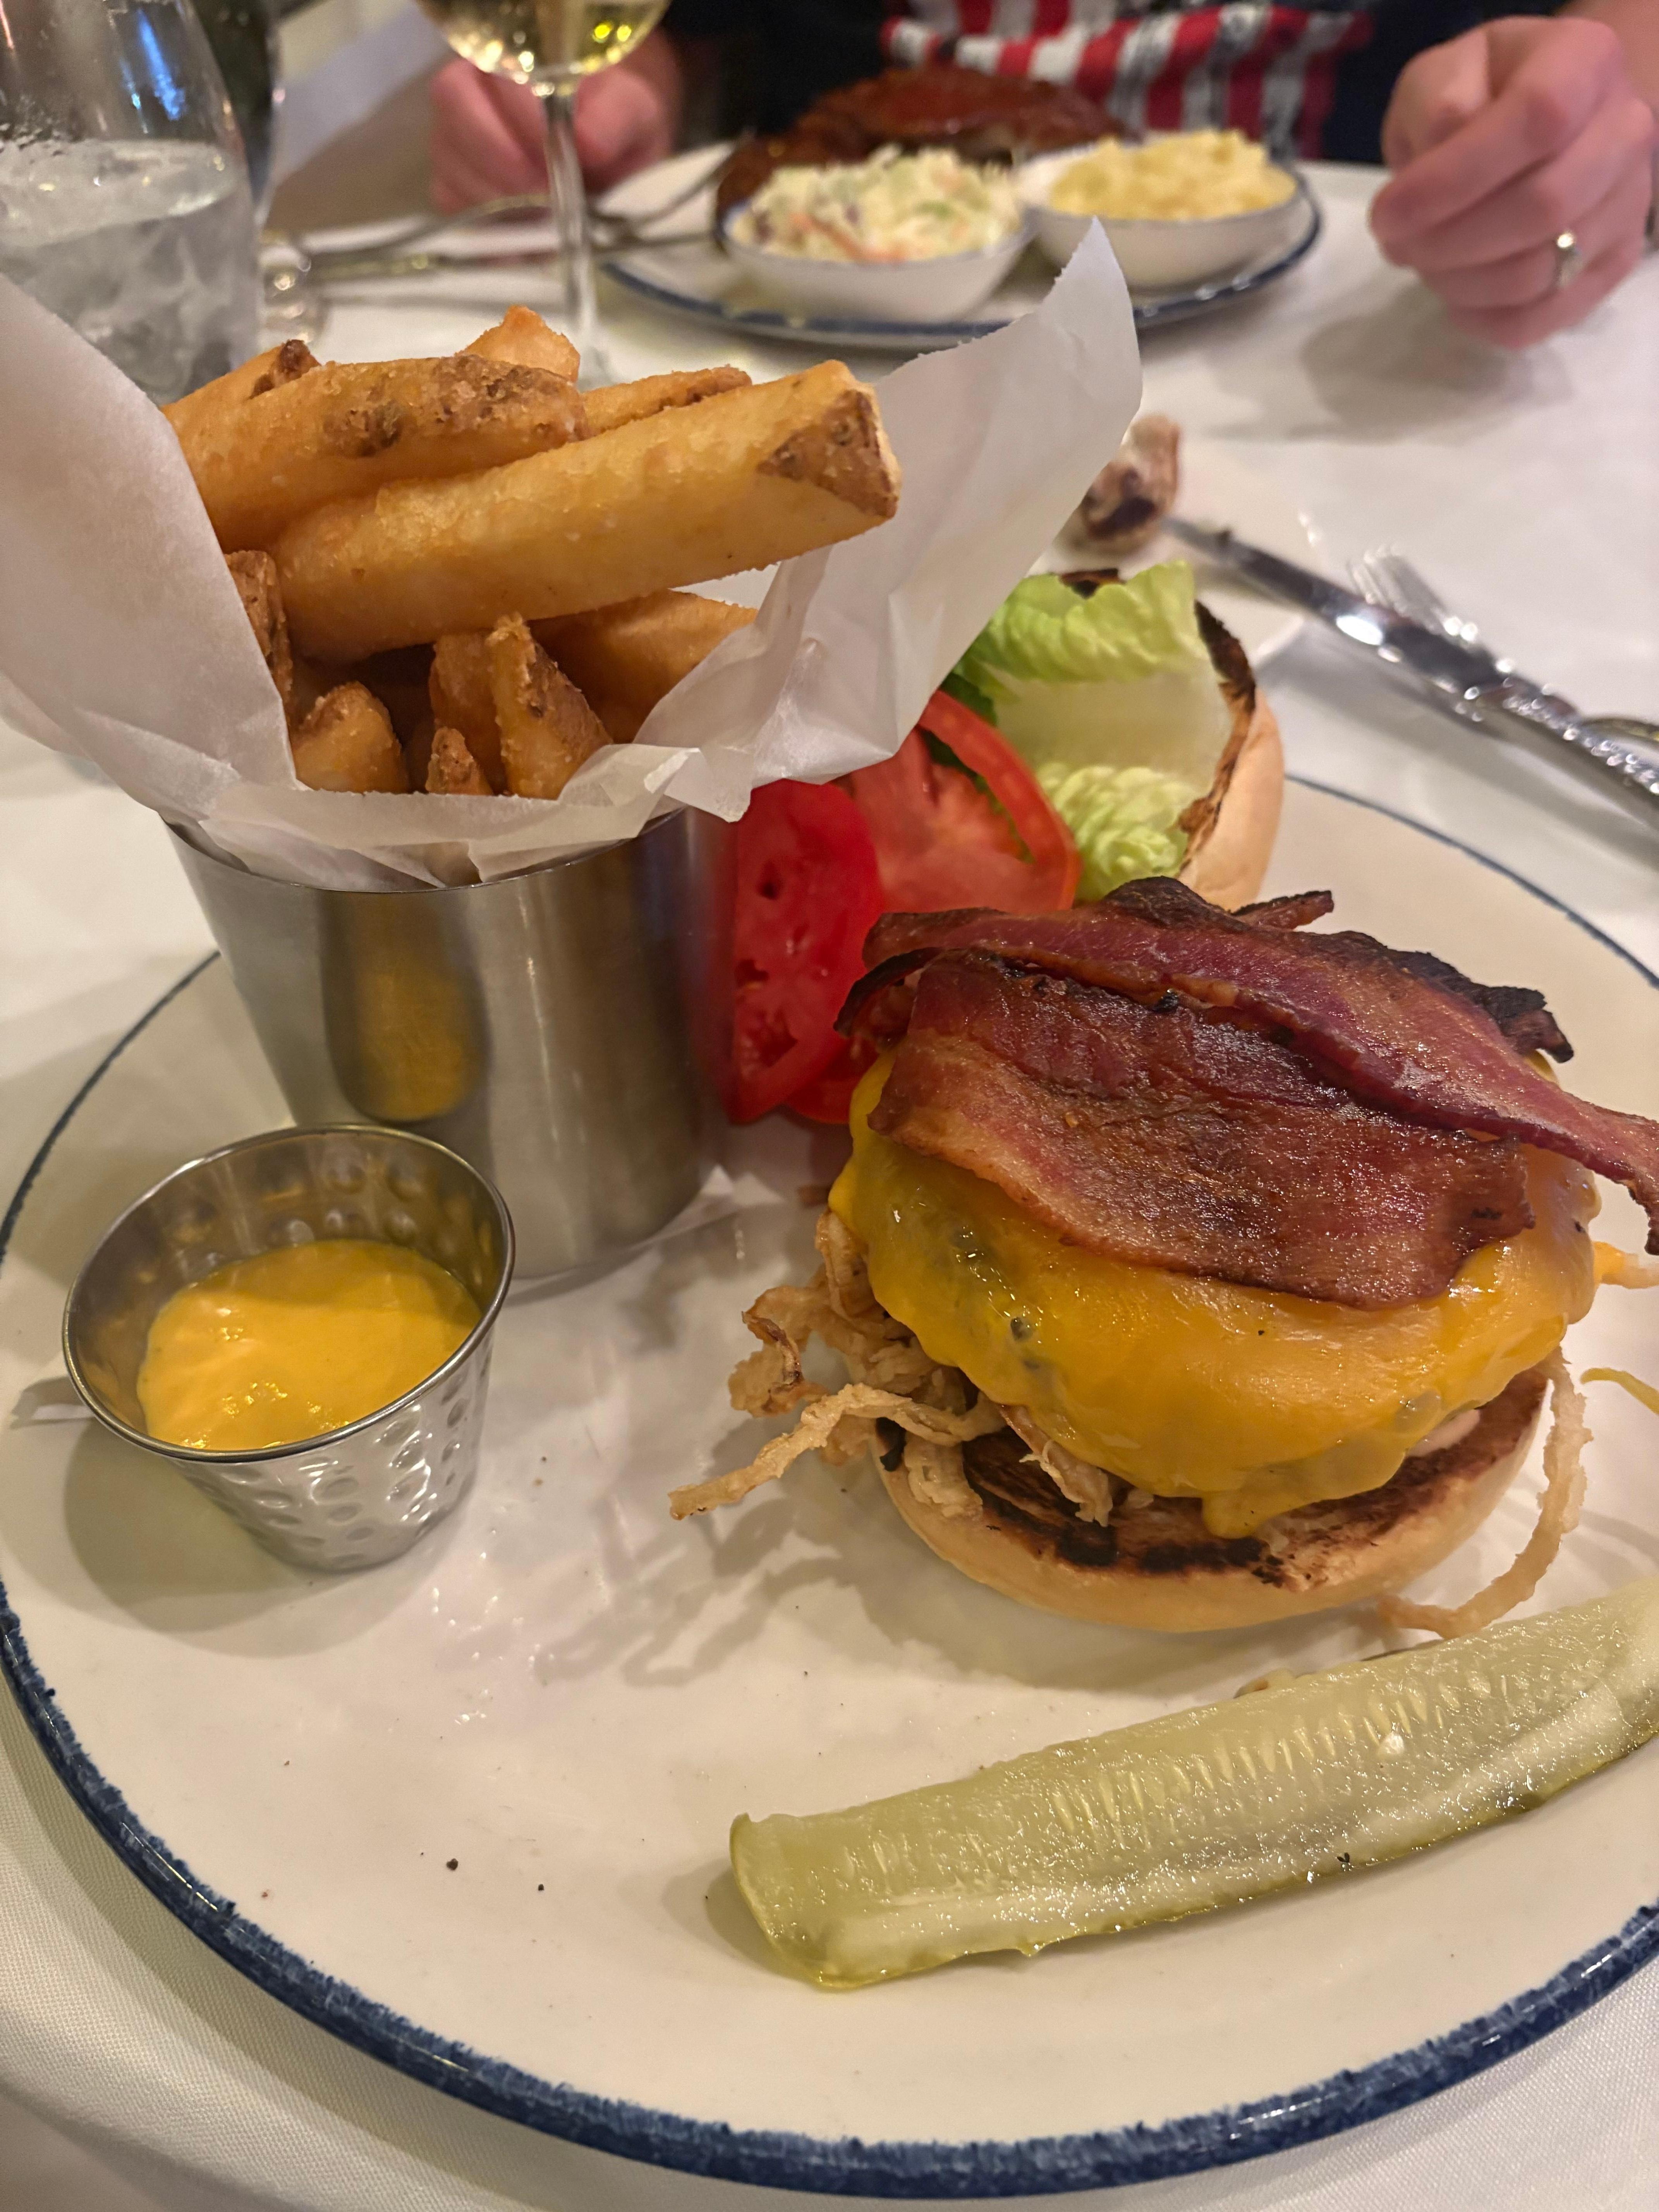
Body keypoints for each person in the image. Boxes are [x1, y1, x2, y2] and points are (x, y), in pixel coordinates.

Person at [429, 0, 1657, 349]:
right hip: (826, 330)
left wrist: (1585, 111)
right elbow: (687, 30)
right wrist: (620, 85)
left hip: (1340, 314)